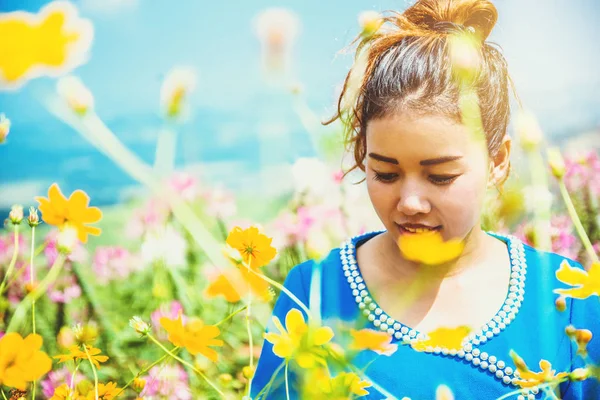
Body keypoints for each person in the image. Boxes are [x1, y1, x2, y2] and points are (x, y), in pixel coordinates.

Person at [251, 0, 600, 398]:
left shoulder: (566, 298)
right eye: (385, 173)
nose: (410, 202)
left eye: (440, 176)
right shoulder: (315, 295)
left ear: (498, 161)